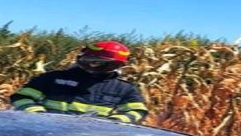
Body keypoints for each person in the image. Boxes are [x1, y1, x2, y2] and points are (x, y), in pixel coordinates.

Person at [9, 41, 149, 124]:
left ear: (118, 65)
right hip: (44, 133)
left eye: (101, 63)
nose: (93, 66)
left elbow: (137, 110)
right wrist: (39, 116)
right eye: (91, 61)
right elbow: (21, 97)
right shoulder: (52, 78)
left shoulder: (123, 88)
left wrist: (113, 123)